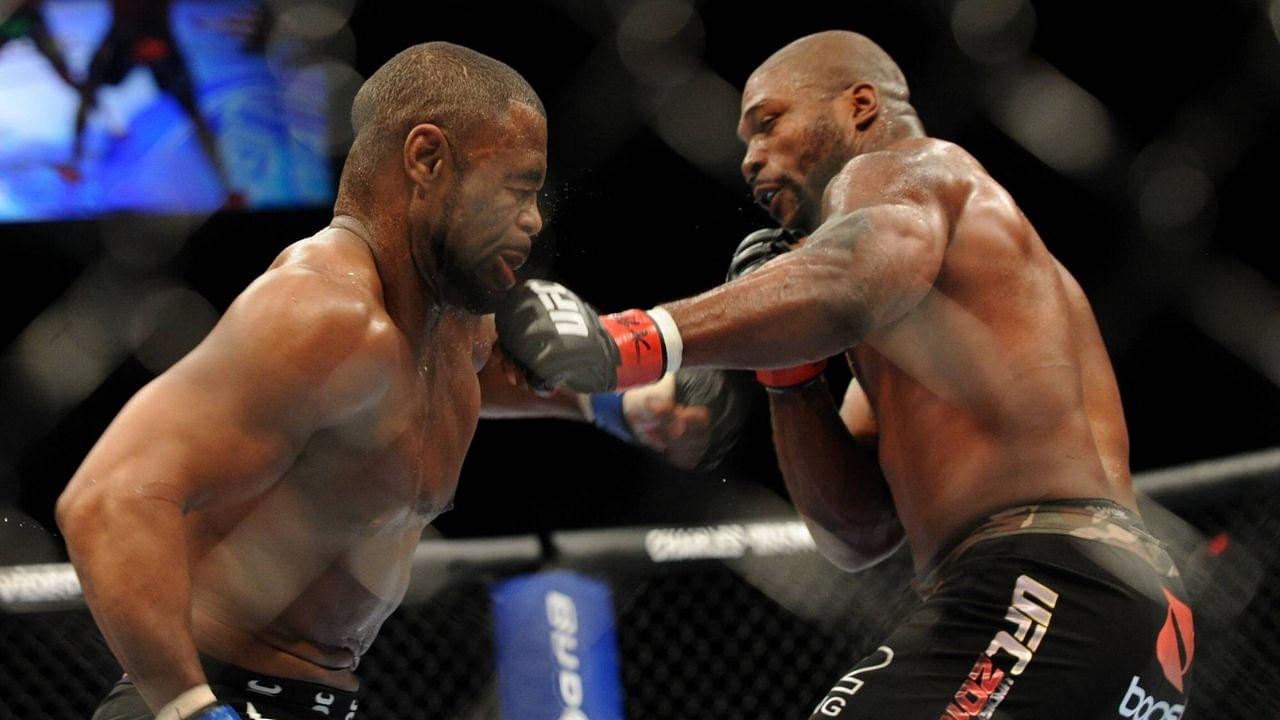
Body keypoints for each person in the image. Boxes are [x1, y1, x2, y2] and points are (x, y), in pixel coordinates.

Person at [496, 31, 1195, 719]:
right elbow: (856, 533)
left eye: (769, 125)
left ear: (859, 107)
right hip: (1114, 617)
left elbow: (848, 278)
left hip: (1044, 586)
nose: (750, 160)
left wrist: (627, 341)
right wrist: (789, 373)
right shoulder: (924, 324)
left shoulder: (908, 169)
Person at [57, 42, 743, 720]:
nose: (533, 219)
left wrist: (617, 404)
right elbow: (107, 498)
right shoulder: (317, 314)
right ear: (426, 160)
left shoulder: (447, 322)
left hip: (319, 701)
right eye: (517, 188)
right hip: (218, 689)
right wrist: (189, 707)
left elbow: (471, 378)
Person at [58, 0, 243, 207]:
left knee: (192, 109)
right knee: (90, 90)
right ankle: (73, 164)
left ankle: (229, 186)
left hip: (150, 38)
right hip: (132, 39)